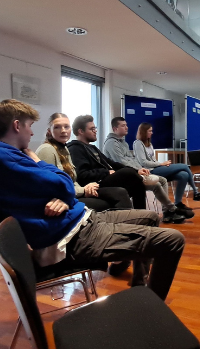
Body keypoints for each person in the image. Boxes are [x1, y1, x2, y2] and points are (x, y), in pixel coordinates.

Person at [0, 99, 185, 300]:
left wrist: (63, 195)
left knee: (150, 217)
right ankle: (150, 306)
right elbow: (64, 183)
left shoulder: (15, 155)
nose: (32, 133)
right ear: (17, 126)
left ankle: (139, 285)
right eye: (30, 126)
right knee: (173, 240)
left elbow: (61, 187)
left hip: (77, 219)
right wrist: (37, 162)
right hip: (71, 236)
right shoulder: (9, 158)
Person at [36, 113, 132, 212]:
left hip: (75, 192)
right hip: (61, 201)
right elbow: (52, 187)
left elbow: (72, 180)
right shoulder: (47, 149)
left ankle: (131, 220)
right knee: (112, 198)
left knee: (119, 192)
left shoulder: (64, 149)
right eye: (57, 127)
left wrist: (84, 188)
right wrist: (83, 190)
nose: (63, 131)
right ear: (49, 131)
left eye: (66, 127)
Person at [103, 117, 187, 223]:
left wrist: (140, 169)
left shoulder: (123, 143)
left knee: (164, 180)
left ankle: (168, 211)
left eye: (126, 125)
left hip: (136, 172)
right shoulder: (112, 143)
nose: (126, 127)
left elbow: (132, 159)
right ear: (115, 129)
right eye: (123, 125)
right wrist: (140, 169)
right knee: (163, 180)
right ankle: (171, 210)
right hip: (125, 177)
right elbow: (121, 162)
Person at [68, 114, 148, 210]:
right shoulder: (75, 149)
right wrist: (106, 172)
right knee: (128, 173)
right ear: (80, 131)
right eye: (92, 129)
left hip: (104, 179)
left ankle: (142, 214)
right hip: (93, 185)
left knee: (137, 183)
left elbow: (111, 163)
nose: (95, 131)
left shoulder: (92, 148)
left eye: (95, 128)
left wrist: (137, 170)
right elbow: (82, 175)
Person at [133, 122, 200, 208]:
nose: (152, 133)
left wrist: (161, 165)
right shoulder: (138, 143)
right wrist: (161, 163)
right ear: (144, 132)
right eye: (150, 131)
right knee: (185, 166)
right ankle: (196, 193)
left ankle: (178, 203)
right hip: (150, 171)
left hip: (156, 167)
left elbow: (153, 159)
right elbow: (143, 162)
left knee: (184, 175)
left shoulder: (149, 144)